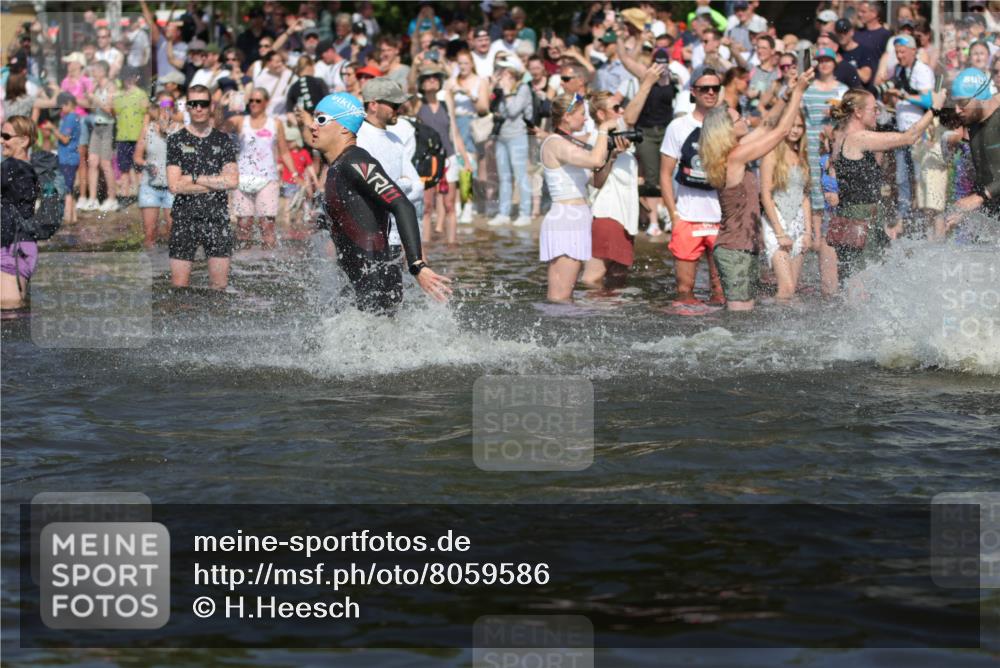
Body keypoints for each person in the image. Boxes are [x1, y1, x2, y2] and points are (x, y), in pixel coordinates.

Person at [308, 92, 451, 313]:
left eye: (321, 119)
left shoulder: (356, 161)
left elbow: (401, 204)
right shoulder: (338, 166)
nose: (312, 126)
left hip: (376, 282)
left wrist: (417, 265)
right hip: (359, 281)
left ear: (344, 127)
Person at [699, 67, 813, 311]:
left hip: (743, 248)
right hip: (735, 249)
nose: (744, 119)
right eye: (738, 118)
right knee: (740, 316)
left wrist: (786, 94)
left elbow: (767, 125)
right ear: (727, 129)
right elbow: (781, 131)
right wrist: (799, 94)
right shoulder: (736, 157)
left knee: (745, 315)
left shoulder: (733, 152)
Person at [826, 88, 942, 286]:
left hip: (850, 216)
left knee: (854, 280)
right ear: (858, 112)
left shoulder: (839, 136)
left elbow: (833, 170)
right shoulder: (858, 138)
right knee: (863, 282)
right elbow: (908, 137)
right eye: (874, 109)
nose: (878, 113)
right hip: (862, 218)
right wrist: (934, 109)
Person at [539, 92, 618, 302]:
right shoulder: (554, 143)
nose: (585, 119)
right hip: (566, 219)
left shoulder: (571, 144)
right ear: (567, 116)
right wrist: (603, 129)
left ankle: (560, 332)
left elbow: (597, 181)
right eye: (582, 114)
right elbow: (594, 160)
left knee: (566, 295)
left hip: (577, 218)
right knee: (560, 296)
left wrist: (612, 156)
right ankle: (552, 332)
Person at [659, 68, 727, 306]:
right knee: (685, 291)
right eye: (704, 88)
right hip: (687, 216)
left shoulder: (728, 125)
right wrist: (673, 215)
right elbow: (665, 175)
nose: (710, 93)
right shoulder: (678, 127)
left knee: (721, 291)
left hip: (720, 218)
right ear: (693, 92)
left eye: (715, 88)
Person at [165, 85, 239, 289]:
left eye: (203, 104)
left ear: (211, 106)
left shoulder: (223, 140)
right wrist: (216, 182)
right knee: (179, 287)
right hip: (184, 218)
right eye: (193, 104)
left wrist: (194, 178)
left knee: (219, 287)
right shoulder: (176, 140)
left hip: (217, 218)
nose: (198, 108)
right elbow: (174, 185)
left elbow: (232, 181)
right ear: (187, 107)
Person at [223, 87, 302, 249]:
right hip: (243, 178)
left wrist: (295, 173)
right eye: (250, 100)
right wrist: (222, 107)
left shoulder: (275, 123)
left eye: (257, 100)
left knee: (267, 227)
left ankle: (268, 267)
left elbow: (284, 151)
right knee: (243, 226)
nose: (253, 104)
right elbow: (219, 129)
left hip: (268, 179)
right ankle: (244, 265)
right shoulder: (240, 121)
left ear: (266, 103)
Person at [357, 78, 425, 253]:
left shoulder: (396, 140)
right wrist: (402, 185)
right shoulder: (359, 138)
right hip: (367, 236)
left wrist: (396, 187)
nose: (399, 109)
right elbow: (367, 189)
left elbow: (418, 188)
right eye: (394, 105)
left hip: (396, 235)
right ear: (373, 105)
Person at [581, 90, 638, 288]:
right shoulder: (597, 141)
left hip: (625, 220)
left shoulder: (620, 138)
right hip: (607, 216)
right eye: (616, 108)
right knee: (592, 278)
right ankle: (588, 316)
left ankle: (609, 317)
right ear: (601, 115)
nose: (622, 111)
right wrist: (612, 157)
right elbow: (597, 180)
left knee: (617, 281)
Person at [618, 45, 677, 237]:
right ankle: (653, 222)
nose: (661, 67)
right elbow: (626, 61)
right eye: (657, 63)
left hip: (667, 131)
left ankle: (670, 217)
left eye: (664, 63)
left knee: (668, 175)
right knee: (651, 176)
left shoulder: (675, 78)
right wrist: (621, 38)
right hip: (647, 132)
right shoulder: (647, 76)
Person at [760, 109, 812, 302]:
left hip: (798, 222)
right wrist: (780, 232)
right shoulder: (771, 154)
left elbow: (804, 196)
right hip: (777, 221)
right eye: (792, 125)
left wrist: (808, 232)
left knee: (793, 289)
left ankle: (790, 330)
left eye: (800, 126)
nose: (796, 130)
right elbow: (765, 195)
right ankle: (773, 330)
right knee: (786, 288)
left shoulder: (801, 155)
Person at [881, 35, 934, 224]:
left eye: (902, 52)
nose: (899, 55)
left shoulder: (922, 70)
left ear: (913, 50)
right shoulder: (899, 70)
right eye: (896, 52)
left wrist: (903, 94)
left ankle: (923, 217)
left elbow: (929, 101)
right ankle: (903, 216)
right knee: (901, 177)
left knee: (920, 176)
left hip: (919, 131)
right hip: (901, 130)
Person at [942, 68, 1000, 230]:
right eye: (955, 104)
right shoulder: (973, 121)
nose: (957, 110)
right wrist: (968, 208)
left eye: (963, 103)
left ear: (981, 97)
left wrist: (979, 197)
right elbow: (986, 173)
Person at [415, 65, 462, 241]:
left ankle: (451, 245)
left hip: (448, 156)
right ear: (421, 84)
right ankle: (425, 246)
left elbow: (454, 130)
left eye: (436, 77)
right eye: (428, 78)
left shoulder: (446, 100)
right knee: (427, 206)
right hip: (427, 160)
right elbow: (411, 81)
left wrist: (463, 155)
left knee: (449, 204)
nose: (432, 79)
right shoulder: (417, 104)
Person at [486, 57, 533, 228]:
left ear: (512, 73)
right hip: (502, 138)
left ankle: (525, 213)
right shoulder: (501, 89)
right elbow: (493, 110)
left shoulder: (523, 88)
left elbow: (513, 111)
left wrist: (506, 91)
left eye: (504, 71)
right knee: (504, 177)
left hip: (517, 136)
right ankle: (504, 213)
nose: (501, 74)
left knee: (521, 176)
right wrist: (494, 88)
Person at [445, 50, 490, 225]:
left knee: (468, 167)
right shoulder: (451, 82)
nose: (463, 67)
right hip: (453, 123)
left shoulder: (481, 81)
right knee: (455, 165)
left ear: (472, 63)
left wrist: (467, 93)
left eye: (466, 63)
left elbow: (483, 108)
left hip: (471, 124)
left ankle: (468, 205)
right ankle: (456, 204)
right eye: (460, 63)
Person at [1, 116, 40, 310]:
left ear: (24, 140)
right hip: (24, 249)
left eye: (6, 136)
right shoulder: (30, 169)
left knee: (9, 319)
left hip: (9, 250)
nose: (1, 140)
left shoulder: (10, 167)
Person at [134, 92, 181, 248]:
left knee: (173, 232)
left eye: (169, 107)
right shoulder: (147, 130)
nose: (165, 110)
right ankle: (151, 268)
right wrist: (147, 164)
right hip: (150, 185)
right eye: (162, 106)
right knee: (149, 234)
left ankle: (170, 268)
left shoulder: (181, 131)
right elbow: (137, 157)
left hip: (173, 187)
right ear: (156, 109)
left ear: (174, 109)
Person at [81, 60, 117, 213]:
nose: (93, 72)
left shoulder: (111, 86)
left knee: (105, 164)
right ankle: (92, 199)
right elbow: (90, 105)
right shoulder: (96, 86)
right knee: (93, 162)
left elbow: (109, 108)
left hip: (108, 127)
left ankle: (112, 199)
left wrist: (92, 98)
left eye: (95, 70)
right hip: (96, 126)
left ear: (103, 71)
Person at [113, 67, 148, 201]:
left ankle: (142, 195)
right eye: (125, 77)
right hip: (122, 136)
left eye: (130, 77)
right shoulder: (119, 95)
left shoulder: (141, 94)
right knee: (124, 168)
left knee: (139, 167)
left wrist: (143, 135)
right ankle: (125, 196)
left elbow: (146, 115)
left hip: (137, 136)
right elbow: (115, 112)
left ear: (135, 78)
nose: (127, 80)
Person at [53, 93, 81, 225]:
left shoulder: (70, 118)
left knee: (67, 190)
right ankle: (74, 217)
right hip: (72, 158)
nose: (61, 108)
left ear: (69, 104)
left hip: (67, 158)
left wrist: (52, 128)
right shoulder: (74, 117)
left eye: (62, 106)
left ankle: (67, 219)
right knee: (70, 188)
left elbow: (65, 139)